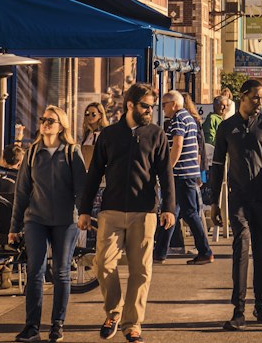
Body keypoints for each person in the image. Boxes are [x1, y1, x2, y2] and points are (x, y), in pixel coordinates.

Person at [78, 82, 175, 343]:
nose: (150, 111)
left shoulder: (157, 134)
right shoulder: (109, 135)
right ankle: (113, 312)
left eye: (153, 107)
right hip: (110, 211)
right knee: (103, 265)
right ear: (130, 105)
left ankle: (133, 324)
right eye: (146, 106)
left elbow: (165, 174)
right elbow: (94, 173)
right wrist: (84, 210)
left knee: (141, 271)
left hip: (145, 212)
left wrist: (168, 208)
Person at [207, 77, 262, 330]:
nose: (260, 103)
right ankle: (238, 310)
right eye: (255, 98)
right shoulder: (227, 127)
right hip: (237, 197)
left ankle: (259, 304)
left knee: (261, 252)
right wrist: (214, 203)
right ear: (243, 97)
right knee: (241, 250)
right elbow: (217, 165)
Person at [8, 104, 88, 343]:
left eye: (50, 120)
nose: (45, 123)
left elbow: (81, 189)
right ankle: (31, 326)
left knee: (61, 272)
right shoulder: (32, 152)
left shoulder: (72, 152)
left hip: (66, 221)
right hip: (36, 220)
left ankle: (57, 324)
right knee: (35, 272)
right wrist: (14, 227)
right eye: (43, 119)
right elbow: (21, 191)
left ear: (61, 126)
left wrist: (83, 214)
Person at [154, 91, 214, 267]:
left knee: (189, 213)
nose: (162, 107)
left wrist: (168, 168)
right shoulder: (188, 117)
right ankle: (160, 252)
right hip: (187, 172)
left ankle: (205, 251)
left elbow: (178, 144)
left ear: (173, 104)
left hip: (180, 173)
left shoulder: (178, 119)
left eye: (164, 104)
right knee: (171, 212)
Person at [80, 101, 108, 169]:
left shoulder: (105, 133)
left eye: (93, 114)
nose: (90, 116)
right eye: (87, 114)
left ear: (100, 115)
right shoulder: (87, 133)